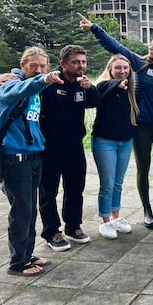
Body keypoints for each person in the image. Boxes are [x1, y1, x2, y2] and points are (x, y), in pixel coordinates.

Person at [79, 13, 153, 230]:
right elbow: (116, 49)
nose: (150, 48)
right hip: (140, 126)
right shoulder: (139, 63)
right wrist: (95, 28)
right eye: (150, 44)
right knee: (143, 168)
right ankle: (147, 210)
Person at [0, 47, 62, 276]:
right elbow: (24, 87)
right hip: (13, 158)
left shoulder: (36, 89)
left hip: (32, 156)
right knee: (21, 211)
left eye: (43, 66)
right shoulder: (10, 86)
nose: (39, 70)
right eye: (33, 66)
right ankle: (17, 263)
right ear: (23, 66)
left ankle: (26, 253)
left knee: (30, 210)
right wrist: (44, 79)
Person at [39, 45, 100, 251]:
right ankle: (51, 232)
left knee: (75, 189)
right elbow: (25, 81)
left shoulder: (82, 85)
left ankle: (73, 226)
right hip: (50, 148)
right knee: (48, 191)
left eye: (83, 61)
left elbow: (95, 102)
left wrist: (90, 88)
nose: (81, 65)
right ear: (63, 64)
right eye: (76, 62)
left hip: (75, 146)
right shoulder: (51, 82)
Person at [92, 55, 139, 239]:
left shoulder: (131, 90)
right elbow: (101, 89)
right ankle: (104, 220)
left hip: (125, 142)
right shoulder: (103, 86)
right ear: (110, 69)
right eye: (118, 68)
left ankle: (116, 216)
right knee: (108, 184)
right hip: (105, 142)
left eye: (125, 68)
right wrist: (116, 85)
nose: (122, 72)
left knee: (118, 183)